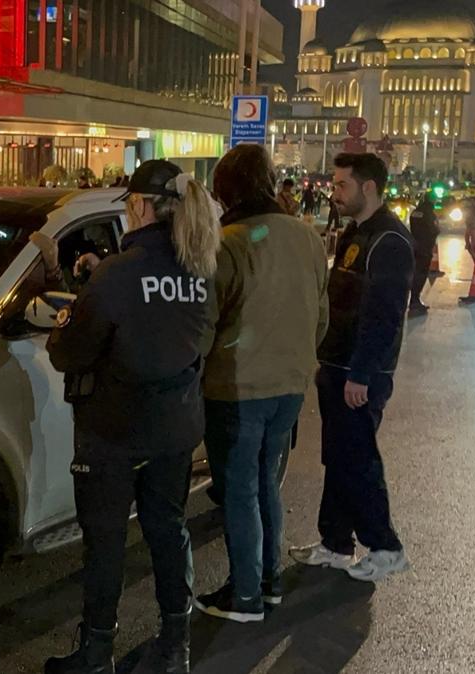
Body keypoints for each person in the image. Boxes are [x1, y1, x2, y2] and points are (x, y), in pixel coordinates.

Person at [43, 159, 221, 674]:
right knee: (168, 529)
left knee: (105, 541)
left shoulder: (118, 275)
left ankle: (97, 653)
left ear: (141, 206)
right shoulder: (199, 267)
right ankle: (175, 644)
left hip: (113, 429)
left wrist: (65, 319)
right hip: (175, 423)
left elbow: (71, 352)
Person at [193, 145, 329, 623]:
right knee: (267, 483)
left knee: (238, 489)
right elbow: (322, 317)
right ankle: (269, 583)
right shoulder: (308, 238)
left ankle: (245, 594)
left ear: (224, 191)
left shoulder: (227, 242)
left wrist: (194, 367)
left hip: (236, 387)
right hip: (290, 386)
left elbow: (205, 322)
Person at [290, 153, 411, 582]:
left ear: (369, 188)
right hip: (337, 364)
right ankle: (336, 542)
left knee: (359, 460)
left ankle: (385, 546)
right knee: (339, 457)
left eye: (342, 185)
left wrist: (361, 372)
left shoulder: (390, 241)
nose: (334, 192)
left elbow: (384, 314)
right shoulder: (356, 234)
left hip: (360, 373)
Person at [407, 193, 441, 316]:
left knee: (415, 272)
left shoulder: (415, 212)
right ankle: (415, 301)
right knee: (421, 274)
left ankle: (413, 300)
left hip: (415, 246)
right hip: (425, 248)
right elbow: (435, 230)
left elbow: (412, 227)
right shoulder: (429, 214)